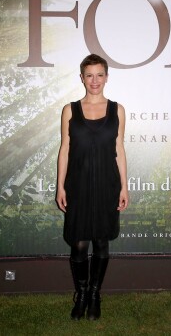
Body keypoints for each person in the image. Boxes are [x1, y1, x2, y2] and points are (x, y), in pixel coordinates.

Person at [56, 53, 129, 320]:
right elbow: (64, 150)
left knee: (101, 242)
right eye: (89, 75)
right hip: (77, 186)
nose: (95, 80)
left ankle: (96, 294)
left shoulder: (117, 110)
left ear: (106, 77)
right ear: (82, 78)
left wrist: (124, 186)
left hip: (107, 186)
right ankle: (82, 294)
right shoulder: (69, 110)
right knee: (78, 245)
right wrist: (60, 187)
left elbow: (119, 150)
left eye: (100, 75)